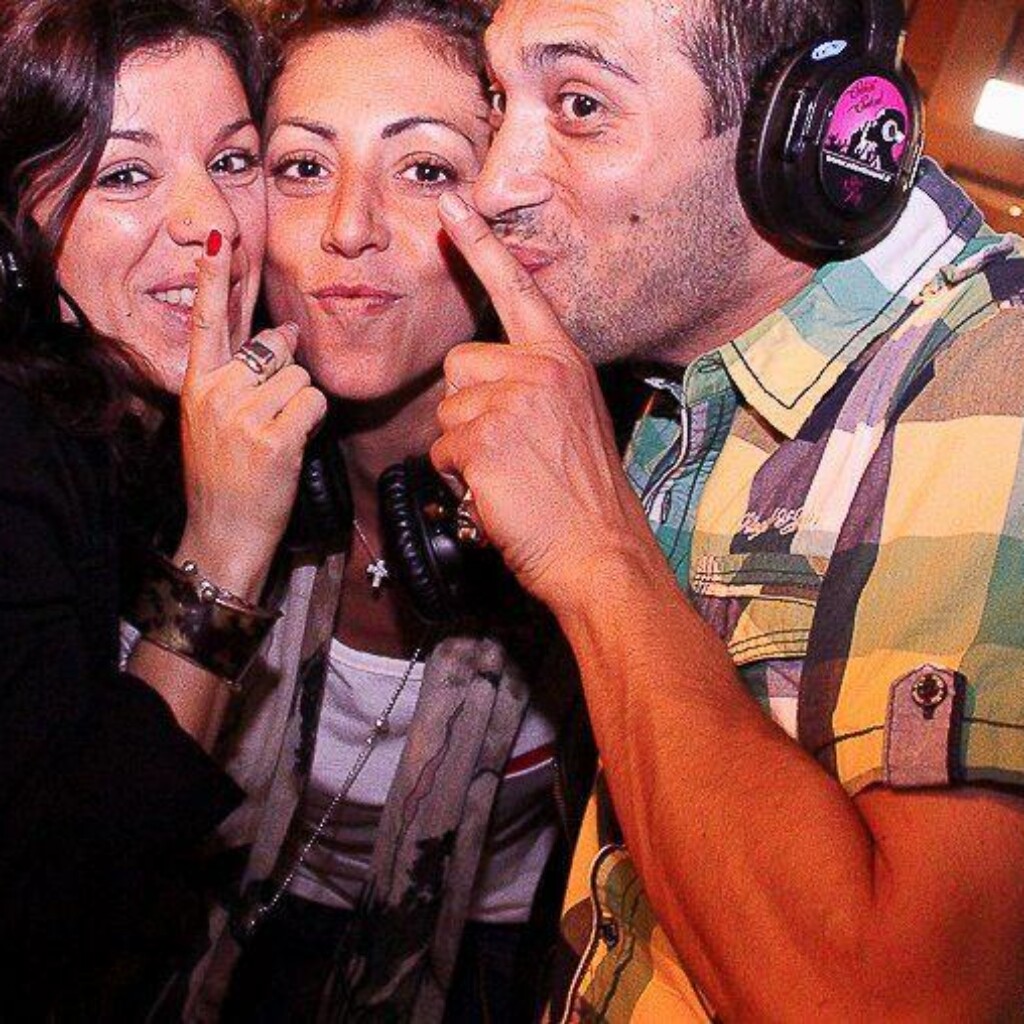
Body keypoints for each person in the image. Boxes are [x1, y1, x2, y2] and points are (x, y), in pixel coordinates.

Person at [428, 0, 1024, 1019]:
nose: (495, 185)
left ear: (809, 129)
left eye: (579, 105)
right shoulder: (677, 360)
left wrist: (595, 551)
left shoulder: (994, 383)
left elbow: (888, 1001)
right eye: (498, 97)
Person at [184, 2, 591, 1021]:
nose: (349, 226)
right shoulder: (153, 467)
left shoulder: (618, 493)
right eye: (302, 166)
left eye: (424, 170)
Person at [0, 0, 325, 1017]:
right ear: (16, 227)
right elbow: (53, 924)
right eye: (126, 175)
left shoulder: (134, 420)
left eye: (232, 161)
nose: (207, 221)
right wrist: (224, 544)